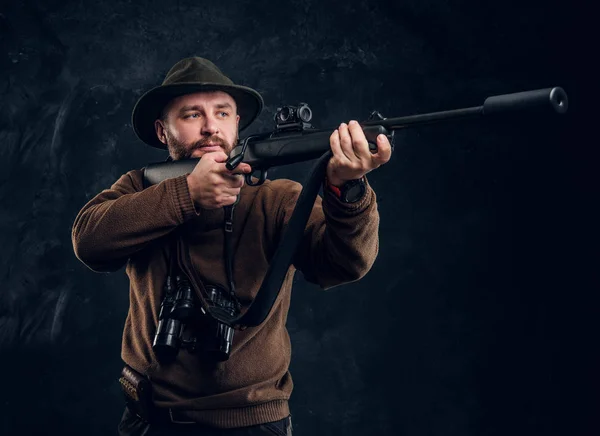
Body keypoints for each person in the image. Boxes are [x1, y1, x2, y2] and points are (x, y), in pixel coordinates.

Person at [71, 57, 392, 435]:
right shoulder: (140, 188)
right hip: (148, 419)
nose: (210, 127)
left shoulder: (278, 199)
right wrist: (187, 193)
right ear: (162, 132)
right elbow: (89, 241)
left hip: (252, 423)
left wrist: (347, 188)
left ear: (237, 124)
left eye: (222, 113)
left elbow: (345, 264)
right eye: (192, 115)